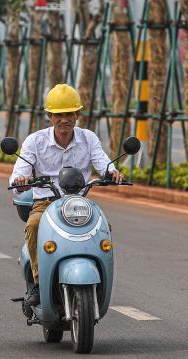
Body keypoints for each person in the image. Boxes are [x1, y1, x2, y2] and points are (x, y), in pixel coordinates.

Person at [9, 84, 123, 306]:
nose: (64, 120)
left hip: (78, 203)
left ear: (77, 115)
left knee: (104, 228)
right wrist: (21, 180)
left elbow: (102, 161)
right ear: (50, 116)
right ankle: (38, 283)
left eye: (69, 114)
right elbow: (19, 173)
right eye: (59, 115)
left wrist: (112, 172)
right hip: (45, 202)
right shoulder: (35, 141)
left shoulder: (88, 138)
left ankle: (100, 280)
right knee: (33, 226)